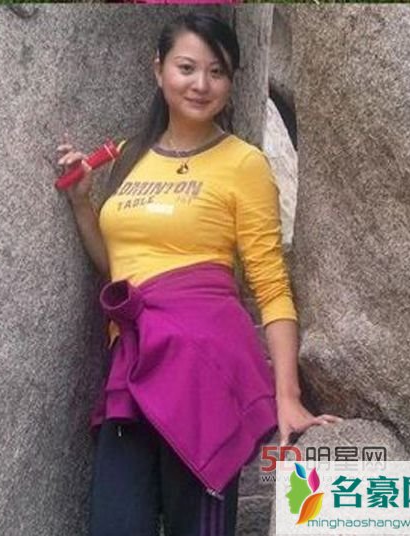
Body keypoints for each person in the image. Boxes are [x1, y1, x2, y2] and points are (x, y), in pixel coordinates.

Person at [56, 12, 341, 536]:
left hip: (204, 366)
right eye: (187, 67)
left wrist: (288, 395)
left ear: (231, 82)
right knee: (114, 524)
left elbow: (271, 286)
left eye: (218, 71)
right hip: (134, 362)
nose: (201, 84)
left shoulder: (243, 163)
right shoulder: (130, 156)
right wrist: (81, 205)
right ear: (158, 69)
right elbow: (119, 268)